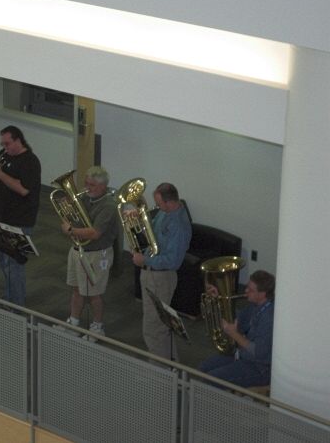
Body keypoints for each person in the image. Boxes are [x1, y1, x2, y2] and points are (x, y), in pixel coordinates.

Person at [132, 182, 192, 360]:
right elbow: (153, 235)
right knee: (162, 324)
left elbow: (172, 261)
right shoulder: (165, 213)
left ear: (170, 202)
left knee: (153, 327)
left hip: (161, 277)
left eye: (159, 204)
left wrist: (144, 260)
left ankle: (159, 373)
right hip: (152, 273)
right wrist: (139, 220)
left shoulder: (179, 226)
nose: (156, 207)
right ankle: (170, 366)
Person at [60, 166, 119, 338]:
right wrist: (67, 209)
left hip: (96, 254)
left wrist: (70, 230)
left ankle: (97, 327)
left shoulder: (108, 205)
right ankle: (74, 321)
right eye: (86, 183)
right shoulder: (86, 197)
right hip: (78, 249)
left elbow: (95, 233)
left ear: (103, 186)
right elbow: (73, 218)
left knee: (94, 295)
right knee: (77, 289)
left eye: (92, 185)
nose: (87, 188)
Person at [0, 125, 41, 306]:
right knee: (3, 261)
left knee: (14, 265)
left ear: (18, 140)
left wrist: (0, 174)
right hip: (1, 217)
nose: (5, 148)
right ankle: (11, 295)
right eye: (2, 144)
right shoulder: (4, 155)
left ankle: (17, 306)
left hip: (20, 220)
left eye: (8, 144)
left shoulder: (30, 161)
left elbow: (23, 189)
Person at [199, 270, 275, 388]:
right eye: (246, 287)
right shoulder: (255, 305)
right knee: (203, 367)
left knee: (212, 379)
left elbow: (259, 352)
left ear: (262, 294)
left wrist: (233, 334)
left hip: (259, 368)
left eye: (250, 290)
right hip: (242, 355)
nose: (245, 291)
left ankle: (212, 404)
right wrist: (218, 299)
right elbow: (236, 319)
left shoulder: (269, 317)